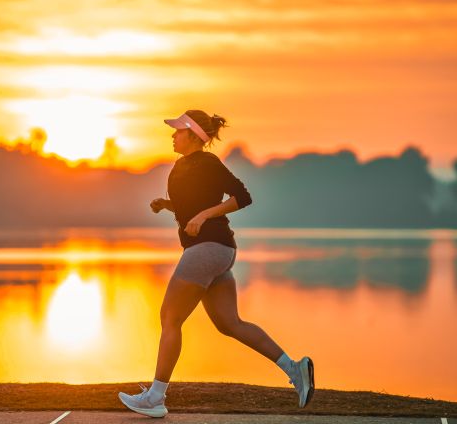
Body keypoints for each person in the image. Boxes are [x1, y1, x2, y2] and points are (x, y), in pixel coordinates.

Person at [118, 110, 314, 418]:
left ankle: (155, 397)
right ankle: (294, 368)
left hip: (207, 249)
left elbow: (242, 196)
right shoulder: (184, 165)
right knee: (229, 323)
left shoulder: (208, 163)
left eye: (178, 131)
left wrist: (203, 215)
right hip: (217, 251)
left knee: (170, 318)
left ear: (194, 136)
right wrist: (168, 205)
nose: (172, 135)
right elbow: (192, 206)